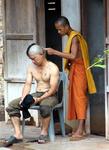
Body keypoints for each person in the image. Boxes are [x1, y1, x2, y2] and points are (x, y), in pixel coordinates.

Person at [43, 16, 96, 141]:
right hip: (75, 70)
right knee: (77, 98)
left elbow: (72, 55)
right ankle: (79, 129)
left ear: (66, 26)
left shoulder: (75, 38)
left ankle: (81, 130)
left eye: (60, 29)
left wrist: (54, 52)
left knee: (80, 98)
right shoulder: (71, 36)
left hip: (80, 70)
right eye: (57, 30)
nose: (59, 32)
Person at [5, 43, 59, 146]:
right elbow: (28, 84)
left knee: (45, 107)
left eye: (34, 58)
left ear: (41, 54)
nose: (33, 61)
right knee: (12, 106)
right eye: (31, 59)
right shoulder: (31, 67)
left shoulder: (53, 68)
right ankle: (18, 134)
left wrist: (39, 99)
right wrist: (24, 97)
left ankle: (43, 133)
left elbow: (52, 89)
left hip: (50, 95)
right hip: (37, 93)